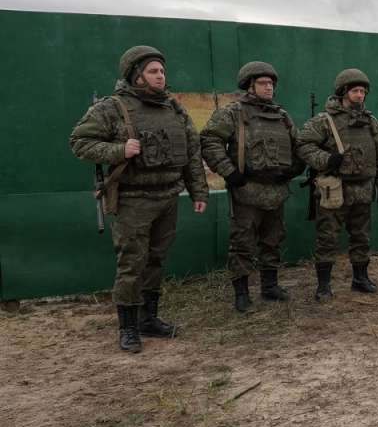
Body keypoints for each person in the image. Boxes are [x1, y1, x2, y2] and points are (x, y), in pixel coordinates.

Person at [69, 46, 209, 352]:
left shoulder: (174, 108)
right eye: (153, 71)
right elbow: (79, 142)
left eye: (162, 71)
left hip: (168, 196)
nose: (161, 76)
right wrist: (119, 151)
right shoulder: (113, 107)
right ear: (137, 75)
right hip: (133, 200)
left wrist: (198, 191)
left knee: (156, 260)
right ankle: (128, 328)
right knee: (132, 263)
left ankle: (149, 319)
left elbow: (192, 152)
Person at [200, 61, 304, 312]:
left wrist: (294, 168)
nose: (269, 87)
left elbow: (298, 144)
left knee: (273, 240)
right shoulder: (233, 113)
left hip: (276, 191)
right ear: (250, 85)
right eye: (263, 83)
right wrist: (230, 172)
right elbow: (209, 140)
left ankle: (270, 287)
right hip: (246, 191)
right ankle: (242, 294)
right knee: (242, 243)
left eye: (271, 83)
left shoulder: (282, 116)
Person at [297, 69, 378, 300]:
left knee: (362, 236)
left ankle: (360, 278)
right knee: (327, 238)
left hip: (363, 188)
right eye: (355, 91)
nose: (360, 95)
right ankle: (323, 286)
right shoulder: (325, 121)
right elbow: (303, 145)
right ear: (343, 92)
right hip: (334, 189)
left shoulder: (370, 122)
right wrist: (327, 159)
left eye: (363, 91)